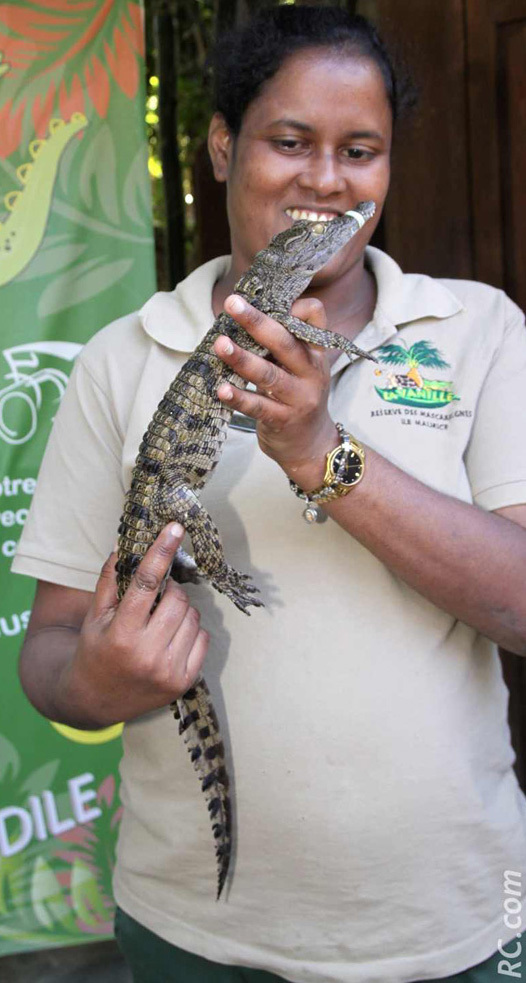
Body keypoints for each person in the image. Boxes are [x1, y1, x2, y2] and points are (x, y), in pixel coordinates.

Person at [12, 6, 526, 983]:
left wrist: (321, 451)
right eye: (289, 140)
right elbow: (51, 652)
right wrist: (98, 679)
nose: (325, 179)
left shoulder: (480, 328)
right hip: (189, 927)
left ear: (387, 167)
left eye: (360, 150)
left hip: (468, 913)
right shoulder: (121, 357)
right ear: (221, 146)